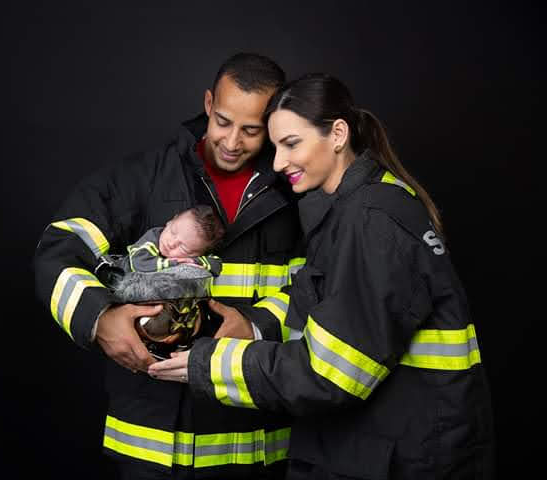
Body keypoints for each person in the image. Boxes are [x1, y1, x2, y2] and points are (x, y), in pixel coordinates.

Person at [148, 73, 496, 479]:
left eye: (291, 144)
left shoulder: (370, 222)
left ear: (338, 134)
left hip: (402, 456)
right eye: (275, 147)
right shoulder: (355, 208)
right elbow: (318, 297)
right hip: (379, 447)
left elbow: (332, 375)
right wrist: (252, 326)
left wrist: (210, 363)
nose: (278, 163)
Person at [34, 53, 305, 479]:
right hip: (154, 450)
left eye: (252, 130)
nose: (232, 142)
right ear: (209, 102)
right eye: (223, 122)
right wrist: (98, 318)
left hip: (260, 450)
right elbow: (61, 248)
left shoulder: (298, 194)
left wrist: (257, 325)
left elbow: (323, 286)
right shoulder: (143, 178)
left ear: (274, 123)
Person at [113, 204, 225, 275]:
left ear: (197, 254)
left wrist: (193, 262)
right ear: (171, 221)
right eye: (173, 232)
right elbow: (140, 264)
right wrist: (177, 263)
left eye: (183, 247)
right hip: (120, 274)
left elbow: (217, 265)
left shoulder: (193, 258)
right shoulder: (153, 238)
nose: (171, 243)